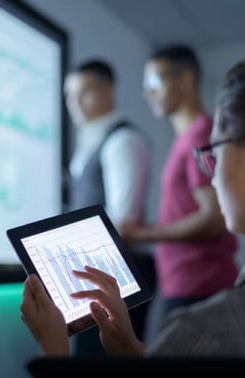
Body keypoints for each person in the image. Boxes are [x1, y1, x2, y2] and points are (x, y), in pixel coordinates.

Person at [20, 46, 245, 359]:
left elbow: (210, 218)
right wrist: (132, 349)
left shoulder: (205, 332)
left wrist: (54, 348)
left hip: (194, 279)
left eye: (215, 152)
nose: (213, 175)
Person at [119, 44, 238, 343]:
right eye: (145, 86)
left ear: (184, 80)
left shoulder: (200, 136)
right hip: (182, 282)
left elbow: (214, 218)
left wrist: (140, 235)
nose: (148, 93)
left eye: (155, 83)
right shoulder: (188, 137)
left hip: (199, 284)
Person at [62, 59, 154, 355]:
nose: (74, 102)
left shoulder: (123, 140)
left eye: (84, 92)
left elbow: (122, 221)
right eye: (69, 94)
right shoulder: (90, 141)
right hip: (97, 276)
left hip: (119, 278)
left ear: (108, 91)